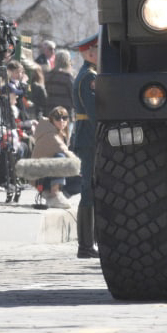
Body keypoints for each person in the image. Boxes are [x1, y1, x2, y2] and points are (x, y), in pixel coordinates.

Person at [70, 32, 99, 258]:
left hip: (87, 135)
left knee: (91, 188)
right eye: (97, 50)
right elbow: (94, 112)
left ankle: (90, 242)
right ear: (90, 53)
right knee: (88, 189)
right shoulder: (88, 77)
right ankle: (86, 245)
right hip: (89, 136)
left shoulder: (88, 75)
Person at [30, 106, 74, 209]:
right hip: (41, 178)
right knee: (61, 158)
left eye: (64, 117)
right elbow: (64, 153)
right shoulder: (50, 134)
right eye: (57, 118)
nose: (61, 121)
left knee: (81, 178)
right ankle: (54, 194)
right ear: (51, 120)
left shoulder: (61, 133)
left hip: (49, 174)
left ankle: (56, 197)